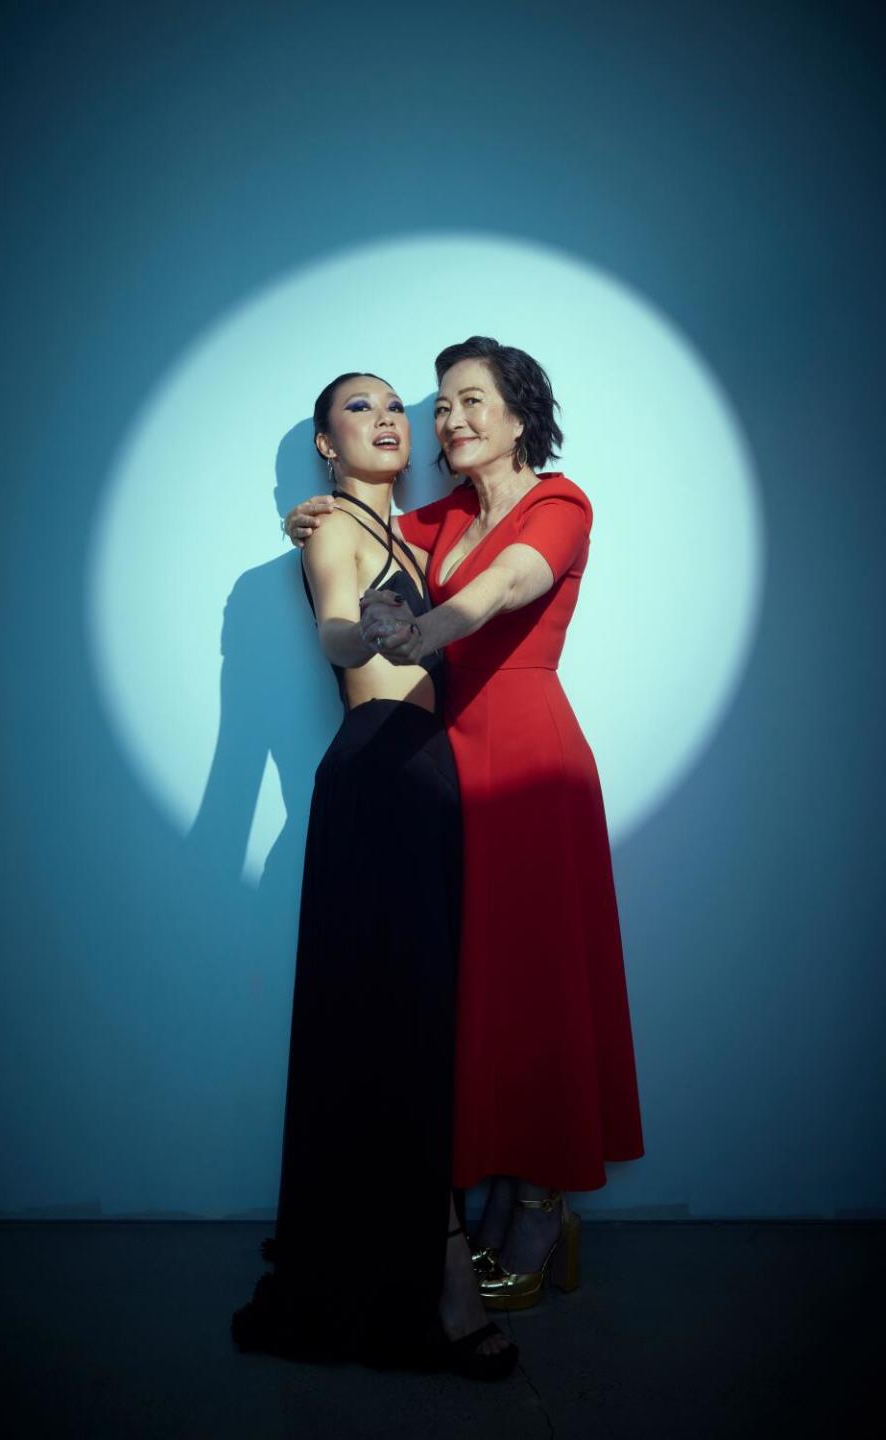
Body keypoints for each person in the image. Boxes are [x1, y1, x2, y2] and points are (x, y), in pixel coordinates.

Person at [286, 338, 645, 1310]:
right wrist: (305, 516)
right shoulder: (441, 515)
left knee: (540, 988)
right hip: (445, 766)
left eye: (472, 400)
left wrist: (426, 629)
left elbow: (500, 591)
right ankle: (492, 1200)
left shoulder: (557, 505)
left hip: (529, 762)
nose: (450, 420)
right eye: (441, 405)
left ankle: (540, 1208)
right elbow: (371, 532)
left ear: (520, 415)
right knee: (475, 993)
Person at [230, 372, 517, 1377]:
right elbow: (337, 626)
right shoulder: (334, 532)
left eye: (399, 405)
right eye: (359, 407)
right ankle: (441, 1289)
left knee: (418, 1028)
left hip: (423, 781)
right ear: (323, 443)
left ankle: (417, 1273)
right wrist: (371, 632)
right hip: (380, 775)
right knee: (398, 1031)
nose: (390, 418)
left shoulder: (417, 535)